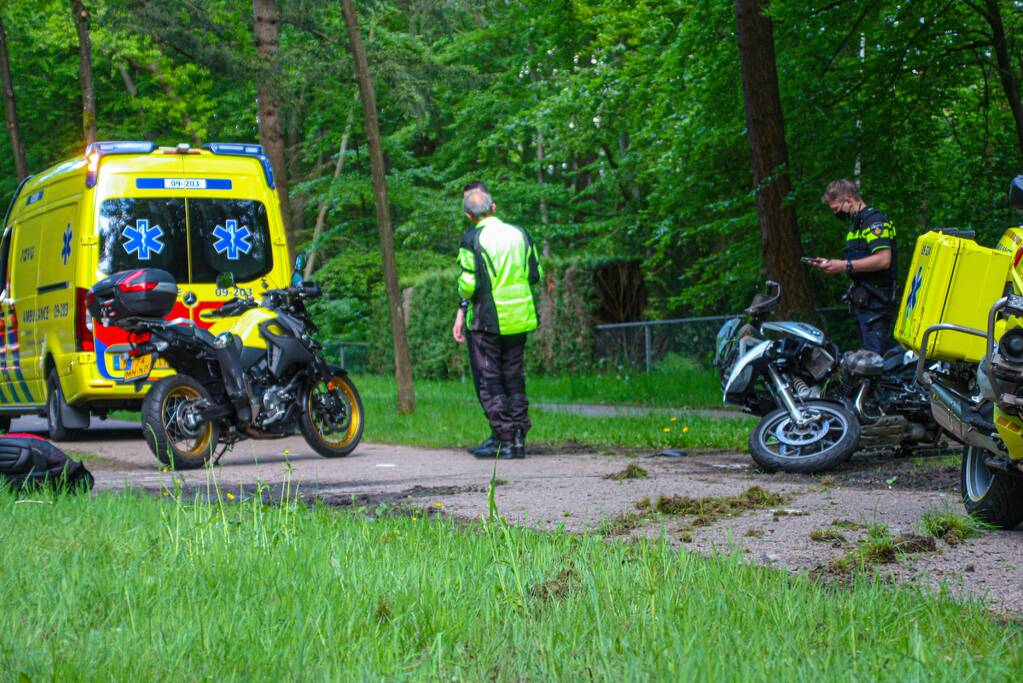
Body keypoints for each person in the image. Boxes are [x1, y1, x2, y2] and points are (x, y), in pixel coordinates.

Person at [452, 189, 542, 459]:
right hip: (519, 317)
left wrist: (462, 293)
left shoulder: (472, 237)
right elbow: (535, 273)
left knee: (491, 378)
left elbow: (468, 285)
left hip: (487, 319)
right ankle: (518, 439)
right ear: (494, 207)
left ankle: (502, 436)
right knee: (514, 376)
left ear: (469, 216)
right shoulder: (520, 233)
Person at [812, 179, 898, 354]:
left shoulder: (874, 221)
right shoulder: (855, 226)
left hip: (877, 304)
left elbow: (883, 259)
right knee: (867, 361)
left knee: (877, 362)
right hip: (864, 304)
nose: (836, 213)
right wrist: (831, 264)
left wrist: (844, 265)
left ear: (849, 200)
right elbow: (857, 261)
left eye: (836, 209)